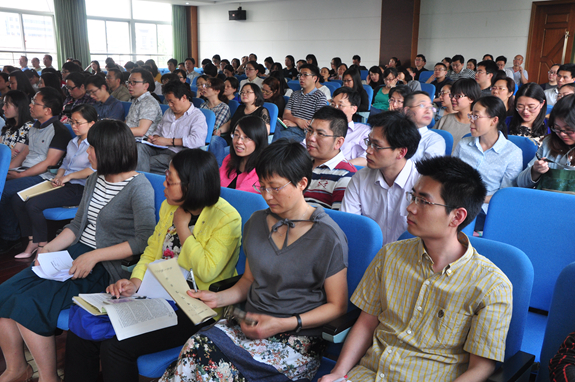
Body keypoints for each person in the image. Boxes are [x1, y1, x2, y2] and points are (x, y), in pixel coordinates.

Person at [160, 139, 349, 382]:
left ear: (302, 183)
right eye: (262, 187)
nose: (267, 196)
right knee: (195, 346)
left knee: (207, 363)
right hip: (249, 325)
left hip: (295, 339)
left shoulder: (327, 236)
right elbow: (249, 280)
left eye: (276, 187)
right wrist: (218, 298)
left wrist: (283, 323)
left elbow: (337, 306)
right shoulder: (258, 222)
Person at [322, 155, 512, 382]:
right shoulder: (390, 255)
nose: (410, 208)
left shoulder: (491, 285)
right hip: (367, 375)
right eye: (413, 197)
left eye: (424, 201)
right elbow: (366, 323)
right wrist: (338, 374)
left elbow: (481, 368)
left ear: (457, 216)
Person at [65, 148, 241, 382]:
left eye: (170, 180)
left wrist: (183, 228)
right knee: (82, 330)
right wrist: (135, 282)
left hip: (195, 307)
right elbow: (151, 251)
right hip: (155, 295)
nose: (164, 185)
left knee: (116, 347)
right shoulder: (170, 206)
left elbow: (207, 269)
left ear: (191, 186)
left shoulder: (227, 218)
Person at [0, 119, 155, 382]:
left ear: (109, 150)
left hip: (105, 266)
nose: (87, 152)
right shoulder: (96, 178)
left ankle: (49, 377)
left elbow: (144, 240)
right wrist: (48, 248)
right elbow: (76, 225)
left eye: (92, 147)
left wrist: (93, 255)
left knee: (29, 304)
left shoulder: (138, 187)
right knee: (5, 292)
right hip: (75, 255)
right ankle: (17, 369)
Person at [13, 104, 97, 259]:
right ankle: (32, 241)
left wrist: (68, 177)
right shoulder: (73, 142)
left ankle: (42, 246)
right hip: (64, 182)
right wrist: (59, 176)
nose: (74, 126)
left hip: (80, 188)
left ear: (92, 123)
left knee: (33, 205)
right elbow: (65, 165)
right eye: (72, 122)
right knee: (18, 199)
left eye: (78, 123)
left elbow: (94, 170)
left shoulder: (96, 144)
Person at [1, 87, 70, 253]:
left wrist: (20, 175)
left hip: (43, 177)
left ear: (47, 109)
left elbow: (49, 162)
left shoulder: (59, 130)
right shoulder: (35, 126)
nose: (30, 105)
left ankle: (10, 237)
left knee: (4, 191)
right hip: (26, 169)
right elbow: (25, 152)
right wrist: (7, 171)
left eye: (35, 103)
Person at [341, 111, 421, 244]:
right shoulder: (360, 178)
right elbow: (349, 228)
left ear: (401, 152)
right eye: (369, 142)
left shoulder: (422, 182)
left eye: (376, 146)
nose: (368, 150)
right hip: (368, 255)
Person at [454, 96, 522, 228]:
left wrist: (473, 197)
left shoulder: (513, 153)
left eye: (476, 116)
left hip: (484, 210)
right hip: (455, 203)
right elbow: (450, 177)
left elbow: (505, 196)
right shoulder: (463, 144)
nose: (471, 120)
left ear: (494, 120)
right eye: (471, 115)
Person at [136, 81, 207, 174]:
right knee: (139, 148)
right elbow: (158, 130)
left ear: (184, 98)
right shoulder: (169, 112)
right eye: (168, 101)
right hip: (159, 147)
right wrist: (155, 138)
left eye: (172, 102)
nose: (169, 105)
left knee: (141, 162)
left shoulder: (197, 116)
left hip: (177, 153)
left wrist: (168, 141)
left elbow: (197, 140)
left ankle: (142, 181)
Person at [517, 94, 575, 190]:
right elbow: (520, 183)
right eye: (557, 128)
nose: (562, 134)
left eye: (568, 130)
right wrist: (535, 171)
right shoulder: (549, 143)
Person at [304, 106, 356, 210]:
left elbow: (337, 221)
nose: (310, 138)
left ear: (338, 142)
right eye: (310, 130)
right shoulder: (299, 162)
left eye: (320, 134)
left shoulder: (346, 176)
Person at [274, 64, 327, 142]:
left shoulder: (320, 97)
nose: (301, 78)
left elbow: (316, 121)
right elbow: (286, 114)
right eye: (300, 75)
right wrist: (298, 121)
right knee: (267, 129)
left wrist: (295, 124)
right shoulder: (295, 94)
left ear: (314, 78)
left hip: (302, 132)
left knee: (276, 139)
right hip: (287, 125)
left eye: (305, 75)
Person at [220, 115, 268, 193]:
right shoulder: (229, 159)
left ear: (258, 141)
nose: (238, 141)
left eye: (247, 137)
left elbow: (240, 197)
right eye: (236, 135)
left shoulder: (262, 170)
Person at [436, 78, 481, 150]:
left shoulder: (479, 124)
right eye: (452, 95)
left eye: (458, 96)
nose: (453, 99)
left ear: (471, 99)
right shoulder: (445, 119)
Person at [331, 87, 371, 166]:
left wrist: (339, 166)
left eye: (340, 105)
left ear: (354, 109)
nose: (335, 109)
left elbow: (367, 158)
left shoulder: (363, 131)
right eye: (333, 105)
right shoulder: (323, 128)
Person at [403, 91, 446, 161]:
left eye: (430, 107)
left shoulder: (434, 140)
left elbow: (429, 170)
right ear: (407, 110)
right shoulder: (393, 132)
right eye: (422, 105)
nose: (428, 111)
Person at [125, 68, 162, 137]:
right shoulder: (136, 100)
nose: (129, 85)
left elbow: (141, 131)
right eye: (129, 82)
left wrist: (118, 132)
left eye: (134, 82)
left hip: (142, 143)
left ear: (146, 86)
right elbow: (127, 122)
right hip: (129, 138)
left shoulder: (149, 103)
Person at [0, 90, 34, 159]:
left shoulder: (28, 127)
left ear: (19, 107)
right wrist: (7, 152)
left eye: (7, 105)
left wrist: (5, 152)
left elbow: (16, 154)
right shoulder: (8, 127)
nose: (3, 108)